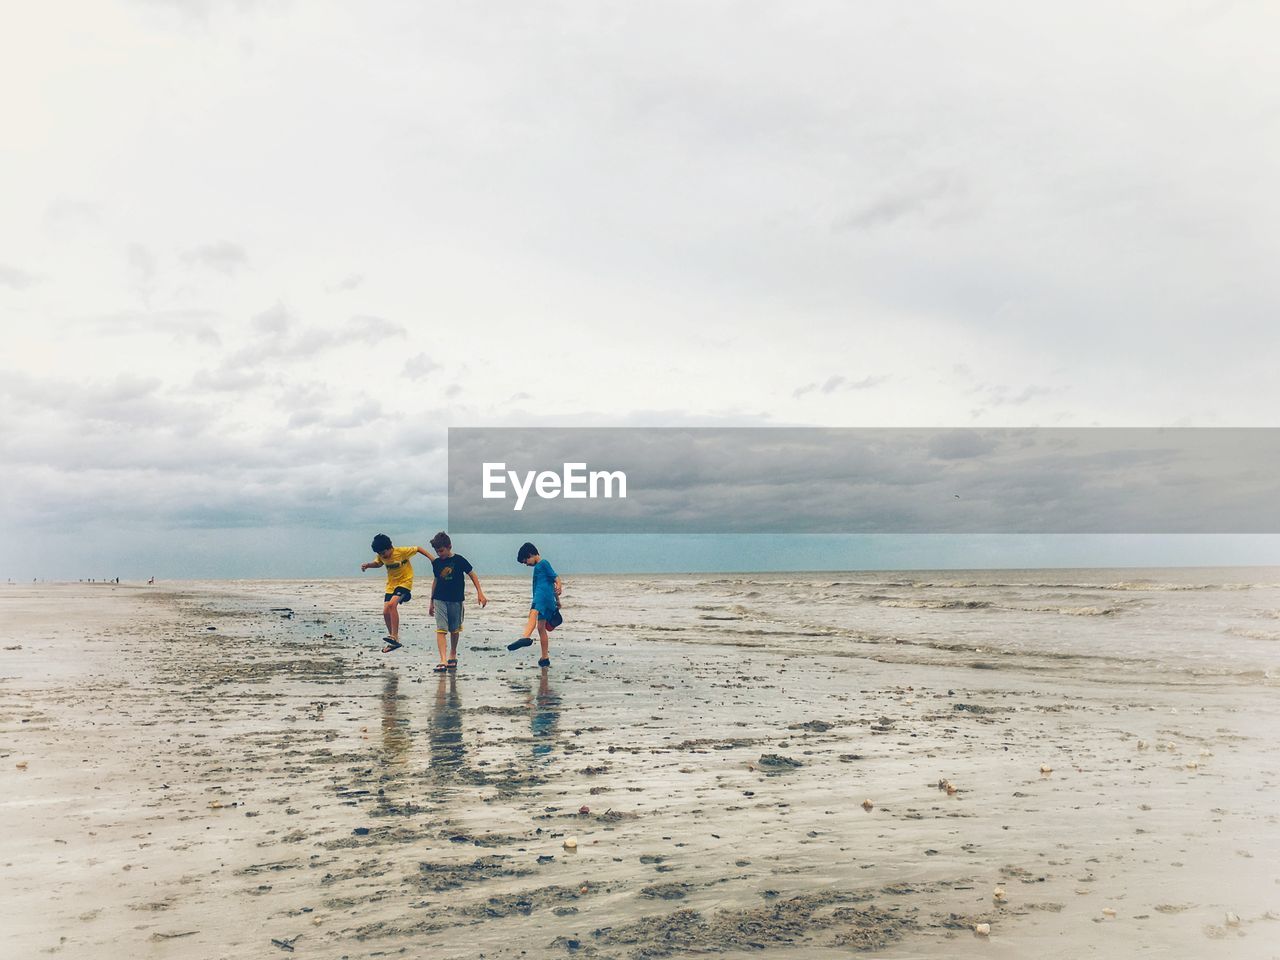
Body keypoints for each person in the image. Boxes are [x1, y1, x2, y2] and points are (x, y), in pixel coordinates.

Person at [360, 534, 435, 653]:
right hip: (391, 586)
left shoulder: (401, 552)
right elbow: (378, 563)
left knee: (391, 605)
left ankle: (394, 635)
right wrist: (368, 565)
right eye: (379, 553)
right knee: (385, 612)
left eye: (384, 552)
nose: (382, 555)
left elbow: (418, 548)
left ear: (390, 547)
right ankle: (394, 640)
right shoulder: (381, 556)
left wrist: (432, 559)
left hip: (405, 583)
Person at [427, 531, 488, 674]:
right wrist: (431, 601)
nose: (439, 554)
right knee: (441, 629)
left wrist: (480, 592)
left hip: (456, 600)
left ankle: (452, 654)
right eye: (436, 551)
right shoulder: (437, 563)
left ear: (449, 546)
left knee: (454, 629)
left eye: (441, 550)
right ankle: (442, 660)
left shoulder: (459, 560)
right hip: (439, 599)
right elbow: (435, 581)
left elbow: (472, 574)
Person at [507, 541, 562, 667]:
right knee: (541, 628)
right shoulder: (540, 566)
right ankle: (544, 657)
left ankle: (526, 637)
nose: (526, 564)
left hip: (541, 596)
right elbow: (553, 584)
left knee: (532, 613)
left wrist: (559, 585)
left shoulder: (543, 563)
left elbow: (556, 577)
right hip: (547, 598)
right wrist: (558, 601)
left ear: (531, 554)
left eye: (526, 561)